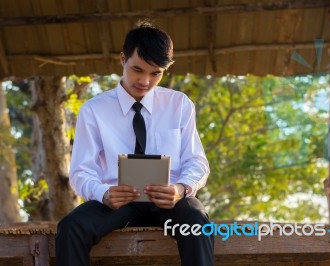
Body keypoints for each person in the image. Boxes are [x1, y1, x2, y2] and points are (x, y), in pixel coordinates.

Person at [55, 21, 214, 266]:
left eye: (155, 73)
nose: (145, 81)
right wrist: (103, 193)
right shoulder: (94, 110)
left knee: (196, 220)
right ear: (122, 59)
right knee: (71, 227)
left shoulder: (179, 105)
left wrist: (180, 189)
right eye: (137, 69)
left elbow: (197, 162)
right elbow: (81, 171)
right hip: (117, 202)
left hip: (168, 201)